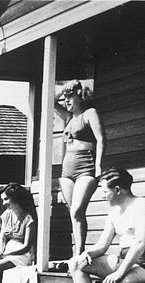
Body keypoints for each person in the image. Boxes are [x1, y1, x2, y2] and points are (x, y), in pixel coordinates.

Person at [55, 80, 106, 256]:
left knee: (77, 210)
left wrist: (98, 165)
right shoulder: (69, 118)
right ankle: (78, 252)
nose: (66, 101)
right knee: (74, 214)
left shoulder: (90, 113)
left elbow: (101, 139)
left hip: (86, 166)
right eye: (65, 98)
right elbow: (51, 103)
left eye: (70, 98)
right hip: (66, 171)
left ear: (80, 96)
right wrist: (63, 89)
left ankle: (79, 250)